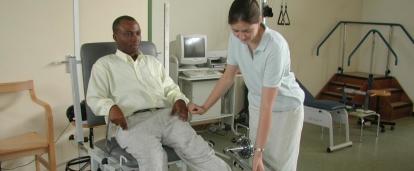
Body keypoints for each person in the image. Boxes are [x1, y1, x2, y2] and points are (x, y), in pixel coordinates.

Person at [86, 15, 231, 171]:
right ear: (115, 37)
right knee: (155, 160)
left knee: (200, 152)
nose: (135, 38)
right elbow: (95, 98)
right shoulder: (104, 65)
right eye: (128, 34)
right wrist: (110, 108)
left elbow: (170, 89)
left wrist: (180, 100)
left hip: (166, 116)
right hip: (131, 123)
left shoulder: (152, 62)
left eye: (137, 33)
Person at [188, 0, 305, 170]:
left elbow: (268, 106)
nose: (241, 36)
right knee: (258, 164)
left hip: (285, 109)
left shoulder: (275, 47)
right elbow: (228, 77)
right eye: (236, 31)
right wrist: (205, 106)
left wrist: (258, 152)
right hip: (258, 106)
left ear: (259, 22)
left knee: (279, 165)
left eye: (247, 31)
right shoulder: (236, 39)